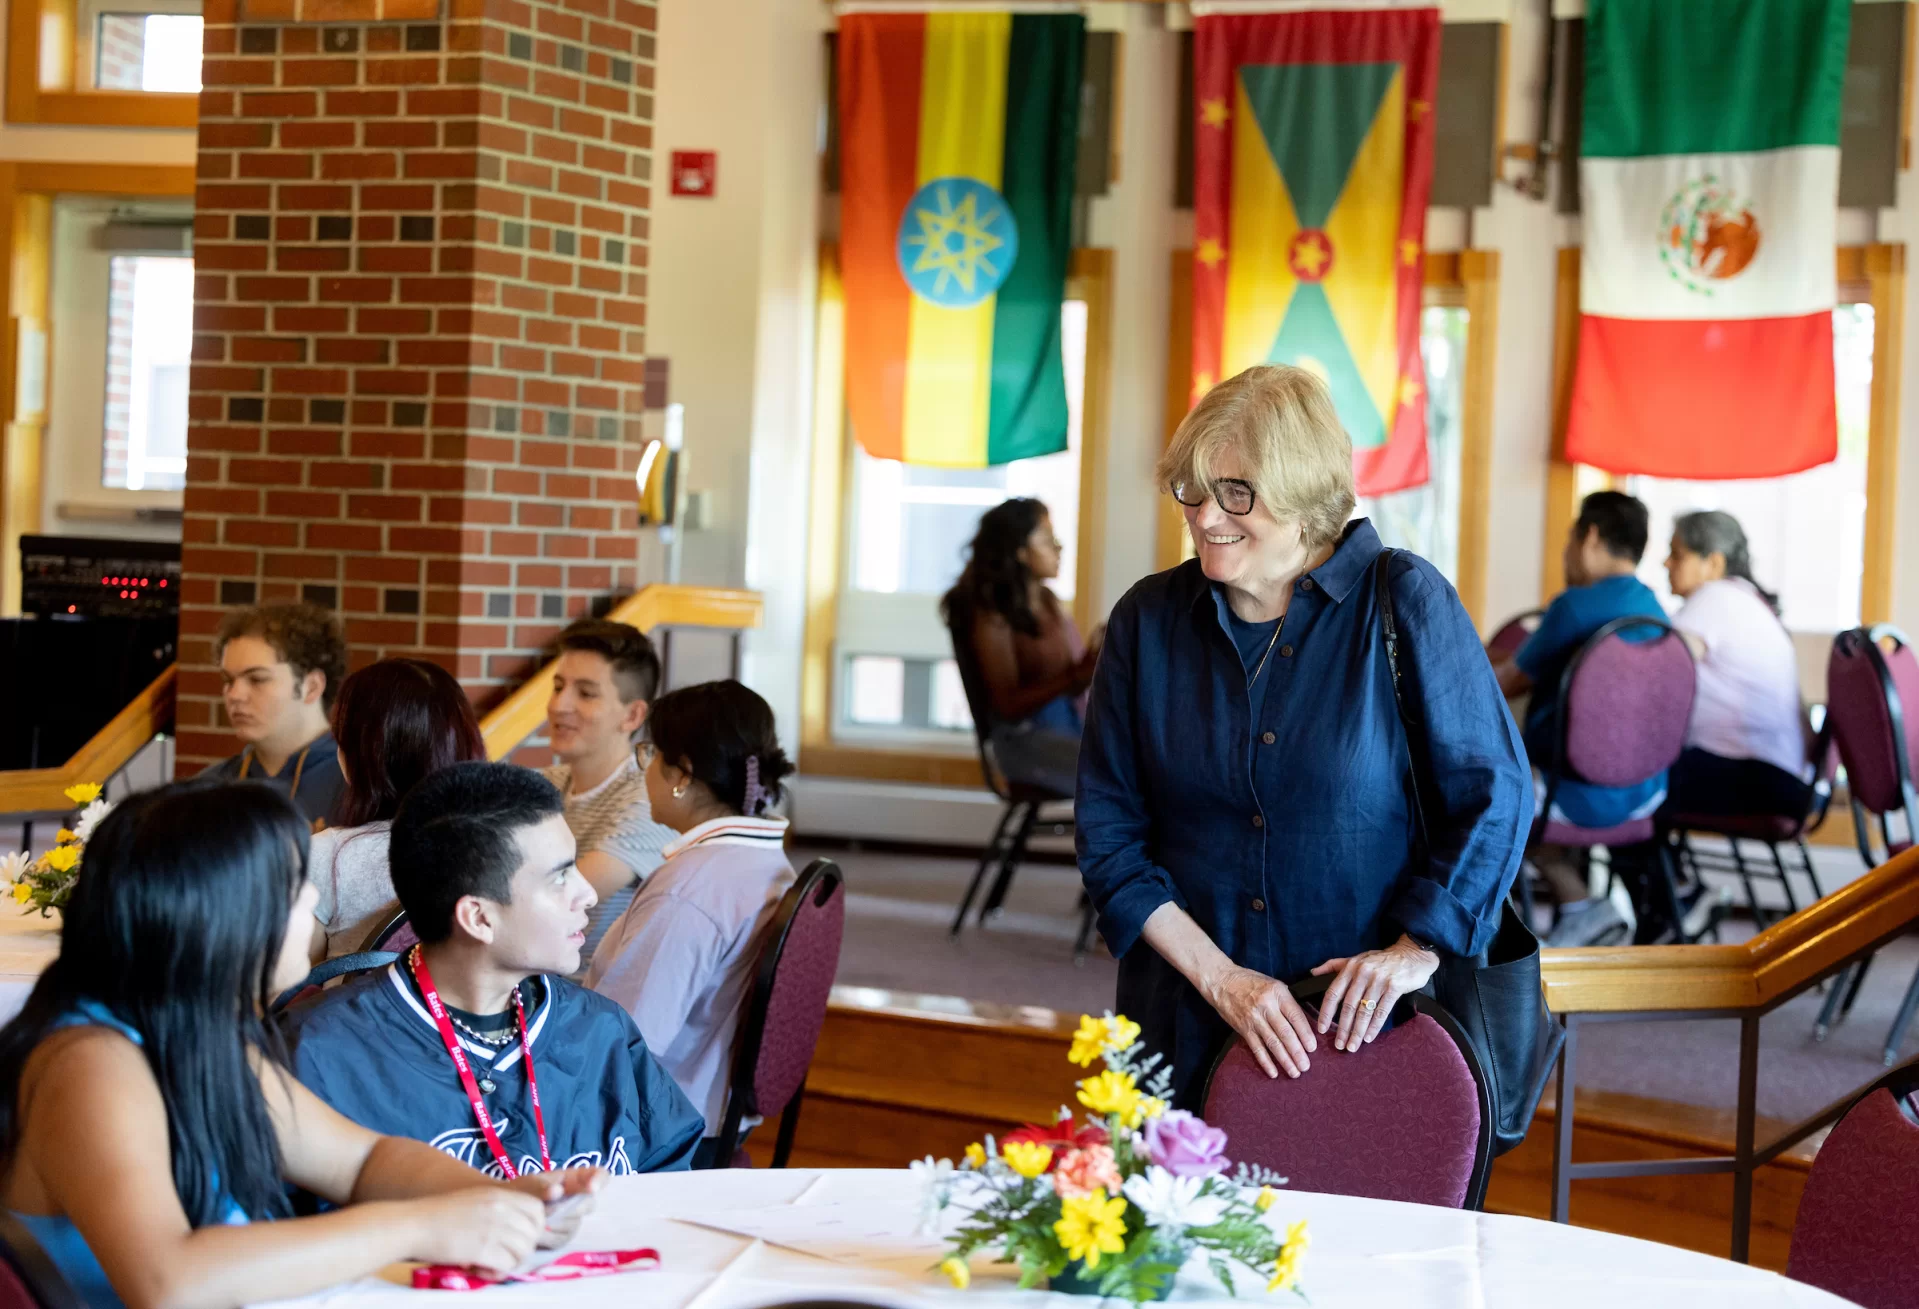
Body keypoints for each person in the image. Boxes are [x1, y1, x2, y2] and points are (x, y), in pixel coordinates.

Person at [1076, 365, 1530, 1110]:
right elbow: (1109, 837)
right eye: (1191, 488)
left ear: (1302, 494)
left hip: (1367, 1028)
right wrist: (1223, 980)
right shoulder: (1146, 621)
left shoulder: (1404, 598)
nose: (1205, 516)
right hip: (1188, 1015)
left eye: (1237, 492)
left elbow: (1495, 793)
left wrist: (1412, 953)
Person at [0, 781, 603, 1309]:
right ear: (223, 919)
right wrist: (419, 1226)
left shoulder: (201, 1034)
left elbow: (362, 1162)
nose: (313, 901)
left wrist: (497, 1197)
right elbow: (168, 1282)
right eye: (293, 887)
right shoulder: (91, 1063)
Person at [282, 762, 703, 1177]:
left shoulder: (601, 1031)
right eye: (560, 877)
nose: (588, 894)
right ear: (479, 918)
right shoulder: (318, 1054)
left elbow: (672, 1173)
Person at [586, 681, 797, 1168]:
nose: (645, 770)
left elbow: (625, 1042)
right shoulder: (764, 861)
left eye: (649, 754)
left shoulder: (690, 888)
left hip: (658, 1136)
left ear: (680, 773)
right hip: (713, 1117)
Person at [1492, 491, 1670, 845]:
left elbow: (1503, 686)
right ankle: (1583, 900)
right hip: (1645, 793)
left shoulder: (1575, 606)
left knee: (1458, 792)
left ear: (1589, 536)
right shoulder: (1655, 609)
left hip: (1572, 797)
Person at [308, 658, 489, 963]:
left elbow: (296, 991)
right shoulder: (501, 850)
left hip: (363, 1011)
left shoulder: (325, 857)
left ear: (360, 757)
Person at [539, 618, 676, 969]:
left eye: (585, 693)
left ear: (632, 715)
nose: (559, 706)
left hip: (591, 1004)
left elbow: (559, 901)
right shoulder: (544, 785)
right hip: (531, 984)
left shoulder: (648, 798)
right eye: (557, 687)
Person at [940, 498, 1100, 796]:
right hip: (1024, 743)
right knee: (1128, 770)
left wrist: (1096, 660)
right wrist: (1076, 675)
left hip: (1065, 729)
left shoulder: (1049, 602)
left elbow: (1072, 684)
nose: (1059, 548)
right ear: (1020, 551)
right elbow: (1006, 706)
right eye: (1047, 539)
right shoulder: (992, 617)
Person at [1661, 510, 1811, 820]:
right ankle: (1655, 869)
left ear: (1713, 563)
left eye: (1677, 555)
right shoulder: (1749, 600)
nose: (1666, 563)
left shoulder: (1716, 596)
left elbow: (1659, 668)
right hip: (1780, 776)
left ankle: (1647, 870)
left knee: (1624, 777)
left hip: (1751, 774)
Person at [202, 603, 349, 826]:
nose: (235, 695)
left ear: (311, 686)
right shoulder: (205, 791)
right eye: (228, 680)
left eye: (257, 679)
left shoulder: (362, 787)